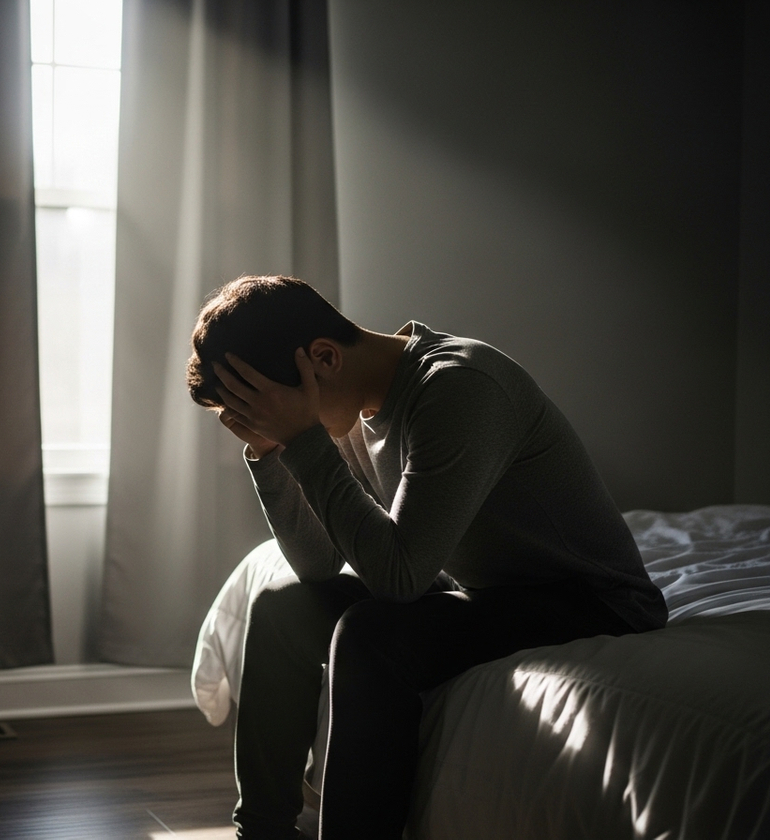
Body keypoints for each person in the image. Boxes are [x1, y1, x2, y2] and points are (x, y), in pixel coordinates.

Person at [185, 275, 667, 840]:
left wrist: (305, 438)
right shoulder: (344, 400)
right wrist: (274, 448)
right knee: (282, 606)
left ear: (323, 357)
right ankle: (262, 832)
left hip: (590, 599)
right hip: (484, 588)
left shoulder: (460, 386)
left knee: (371, 634)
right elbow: (315, 566)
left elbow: (400, 579)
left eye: (264, 408)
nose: (268, 422)